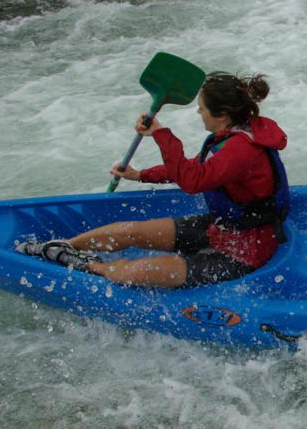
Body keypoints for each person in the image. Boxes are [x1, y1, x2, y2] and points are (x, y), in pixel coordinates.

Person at [16, 72, 289, 288]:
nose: (199, 113)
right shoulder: (234, 135)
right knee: (129, 231)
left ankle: (92, 266)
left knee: (131, 272)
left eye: (202, 108)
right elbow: (193, 167)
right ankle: (65, 246)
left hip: (245, 251)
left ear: (223, 116)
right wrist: (140, 175)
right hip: (219, 229)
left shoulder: (241, 150)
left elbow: (192, 180)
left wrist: (161, 134)